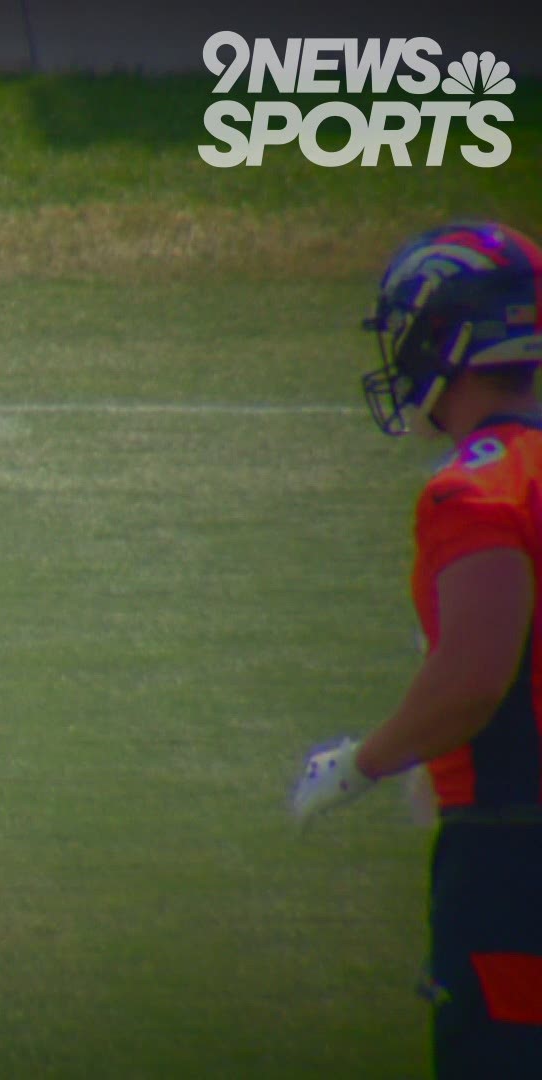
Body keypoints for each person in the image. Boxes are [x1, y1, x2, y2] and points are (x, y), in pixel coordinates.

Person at [290, 221, 542, 1077]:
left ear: (448, 338)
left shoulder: (479, 487)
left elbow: (473, 680)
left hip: (515, 846)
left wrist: (363, 763)